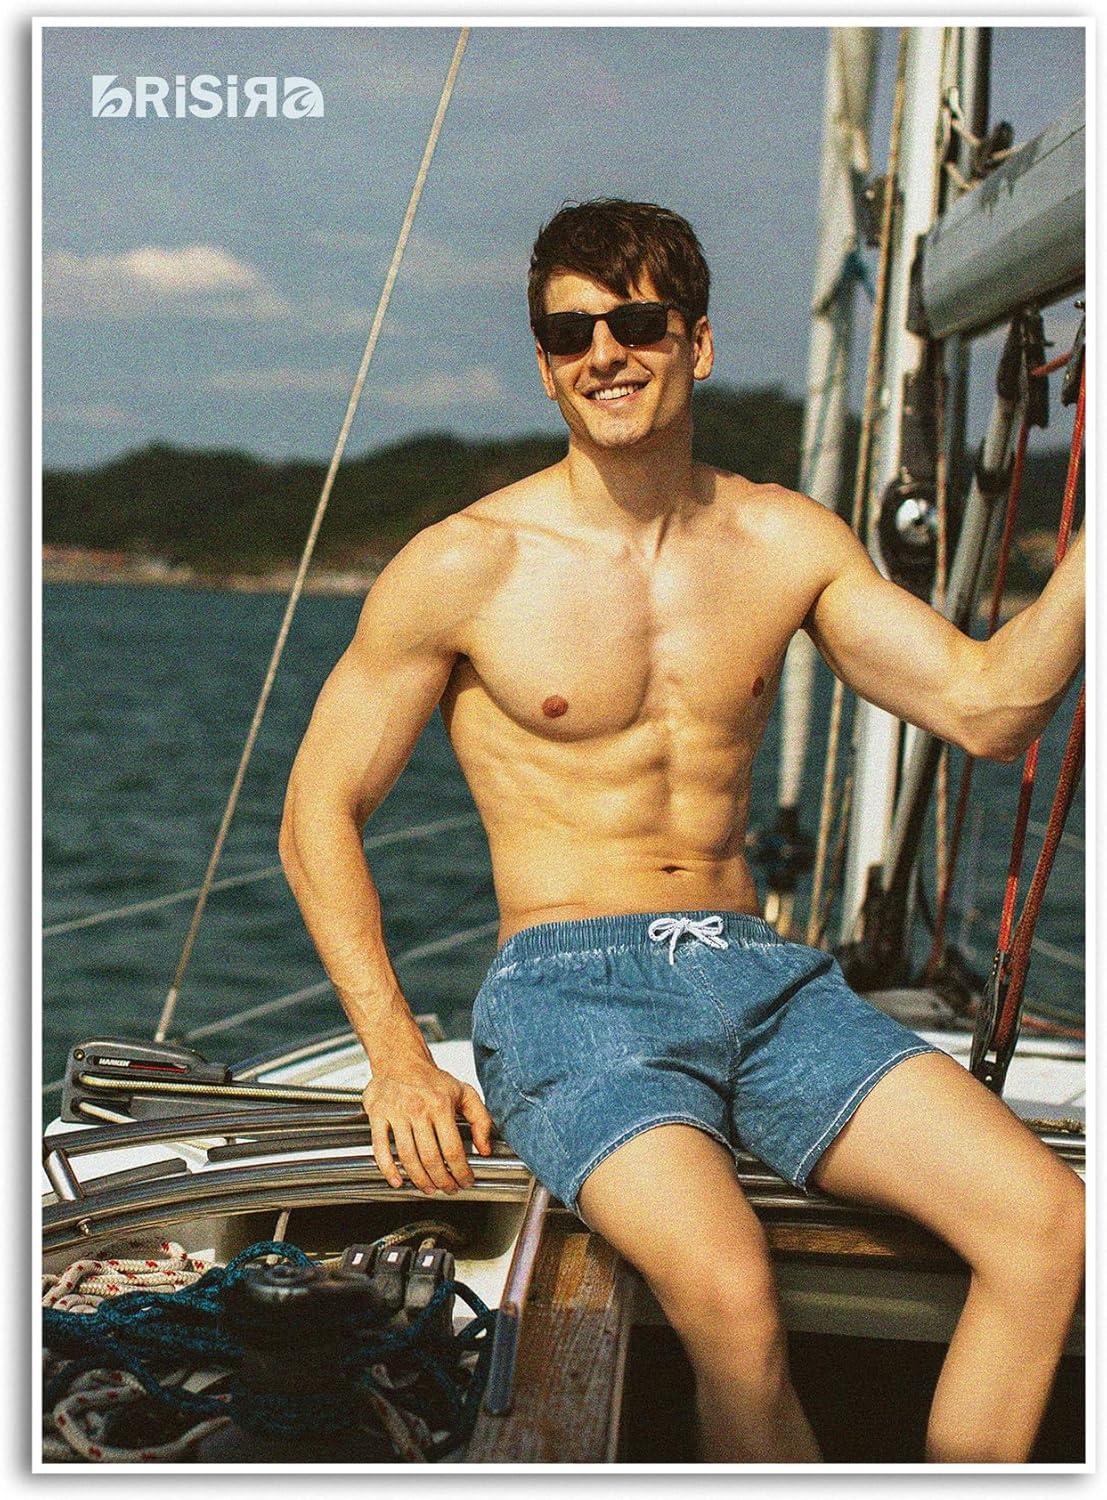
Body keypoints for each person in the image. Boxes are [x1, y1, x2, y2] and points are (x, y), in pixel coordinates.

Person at [280, 199, 1085, 1463]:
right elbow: (317, 811)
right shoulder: (466, 563)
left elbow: (986, 708)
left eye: (637, 322)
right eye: (571, 334)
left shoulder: (784, 539)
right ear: (545, 364)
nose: (604, 353)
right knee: (730, 1292)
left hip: (763, 978)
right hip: (570, 993)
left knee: (1049, 1228)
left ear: (695, 343)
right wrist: (394, 1054)